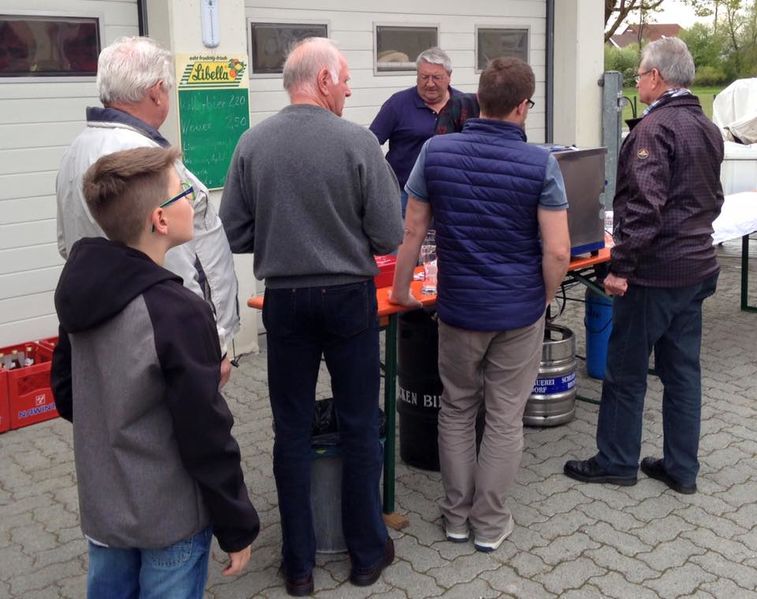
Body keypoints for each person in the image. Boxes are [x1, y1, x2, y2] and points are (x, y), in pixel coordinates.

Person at [219, 38, 402, 596]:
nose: (349, 89)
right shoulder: (359, 142)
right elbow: (390, 233)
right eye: (344, 79)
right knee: (359, 421)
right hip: (349, 297)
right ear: (323, 80)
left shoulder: (253, 143)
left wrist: (283, 236)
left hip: (286, 301)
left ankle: (298, 566)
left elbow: (232, 228)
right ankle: (367, 553)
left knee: (290, 430)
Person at [50, 146, 259, 598]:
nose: (191, 201)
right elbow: (205, 432)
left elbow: (67, 396)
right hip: (171, 518)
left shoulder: (77, 288)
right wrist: (237, 521)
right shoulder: (178, 311)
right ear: (160, 220)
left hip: (104, 510)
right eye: (182, 192)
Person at [390, 57, 571, 553]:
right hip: (518, 311)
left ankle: (454, 516)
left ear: (478, 101)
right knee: (505, 416)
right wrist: (544, 295)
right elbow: (557, 250)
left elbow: (412, 231)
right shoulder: (541, 164)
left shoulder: (436, 151)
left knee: (457, 409)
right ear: (521, 107)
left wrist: (402, 291)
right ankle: (489, 524)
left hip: (458, 309)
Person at [564, 38, 724, 495]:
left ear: (656, 77)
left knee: (626, 370)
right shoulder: (706, 126)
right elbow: (711, 197)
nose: (637, 80)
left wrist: (620, 267)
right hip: (696, 270)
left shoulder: (655, 129)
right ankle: (680, 468)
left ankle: (615, 460)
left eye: (639, 74)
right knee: (682, 373)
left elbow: (646, 208)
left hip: (655, 275)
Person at [56, 36, 239, 385]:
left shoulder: (76, 151)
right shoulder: (145, 160)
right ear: (156, 92)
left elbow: (67, 246)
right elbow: (182, 262)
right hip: (168, 339)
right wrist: (212, 341)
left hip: (111, 331)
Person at [370, 47, 463, 215]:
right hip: (404, 194)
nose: (429, 83)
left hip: (450, 194)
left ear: (449, 77)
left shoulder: (464, 105)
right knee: (405, 240)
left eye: (436, 77)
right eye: (424, 77)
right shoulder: (397, 104)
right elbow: (370, 143)